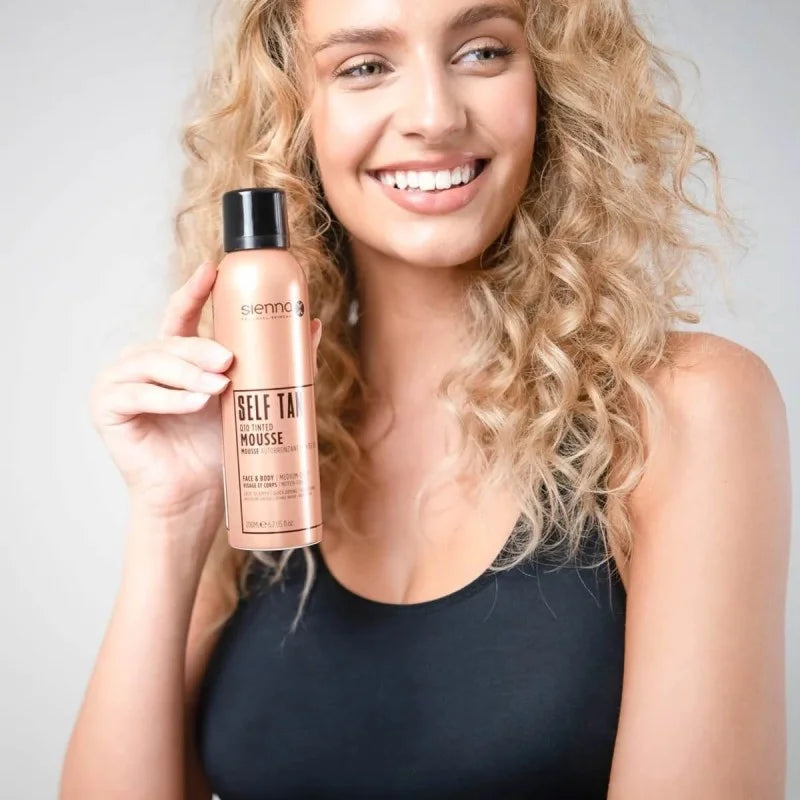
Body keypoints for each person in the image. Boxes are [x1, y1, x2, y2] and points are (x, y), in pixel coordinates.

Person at [60, 0, 791, 798]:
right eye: (365, 66)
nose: (435, 117)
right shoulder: (263, 448)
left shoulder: (681, 408)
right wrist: (173, 518)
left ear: (551, 79)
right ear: (295, 111)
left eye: (482, 52)